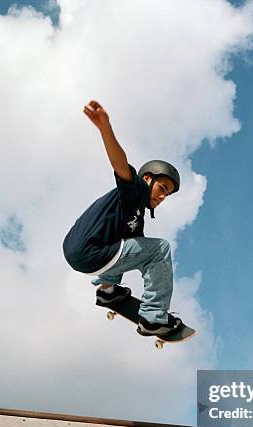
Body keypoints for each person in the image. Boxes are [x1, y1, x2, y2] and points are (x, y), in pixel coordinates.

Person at [63, 100, 183, 336]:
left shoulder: (135, 216)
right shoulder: (135, 189)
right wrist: (105, 128)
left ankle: (107, 291)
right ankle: (153, 318)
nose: (163, 196)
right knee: (160, 249)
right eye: (162, 188)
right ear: (148, 179)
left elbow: (134, 255)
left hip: (79, 251)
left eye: (167, 194)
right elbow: (119, 164)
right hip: (89, 253)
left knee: (132, 245)